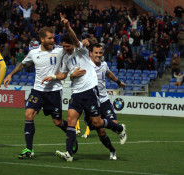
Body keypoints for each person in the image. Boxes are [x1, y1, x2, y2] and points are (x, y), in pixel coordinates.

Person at [42, 16, 127, 162]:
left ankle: (119, 129)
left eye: (68, 46)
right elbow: (64, 74)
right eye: (64, 46)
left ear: (73, 45)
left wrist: (68, 26)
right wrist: (54, 77)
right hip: (77, 94)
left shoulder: (81, 51)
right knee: (70, 121)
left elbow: (75, 39)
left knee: (97, 124)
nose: (66, 48)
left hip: (89, 91)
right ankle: (69, 154)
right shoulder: (66, 58)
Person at [3, 26, 75, 159]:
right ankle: (29, 150)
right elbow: (22, 64)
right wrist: (10, 75)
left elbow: (74, 47)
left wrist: (84, 42)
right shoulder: (33, 53)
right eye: (49, 38)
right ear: (42, 39)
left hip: (54, 91)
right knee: (28, 114)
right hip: (37, 90)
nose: (52, 40)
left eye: (53, 38)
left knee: (58, 122)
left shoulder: (60, 50)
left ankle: (72, 136)